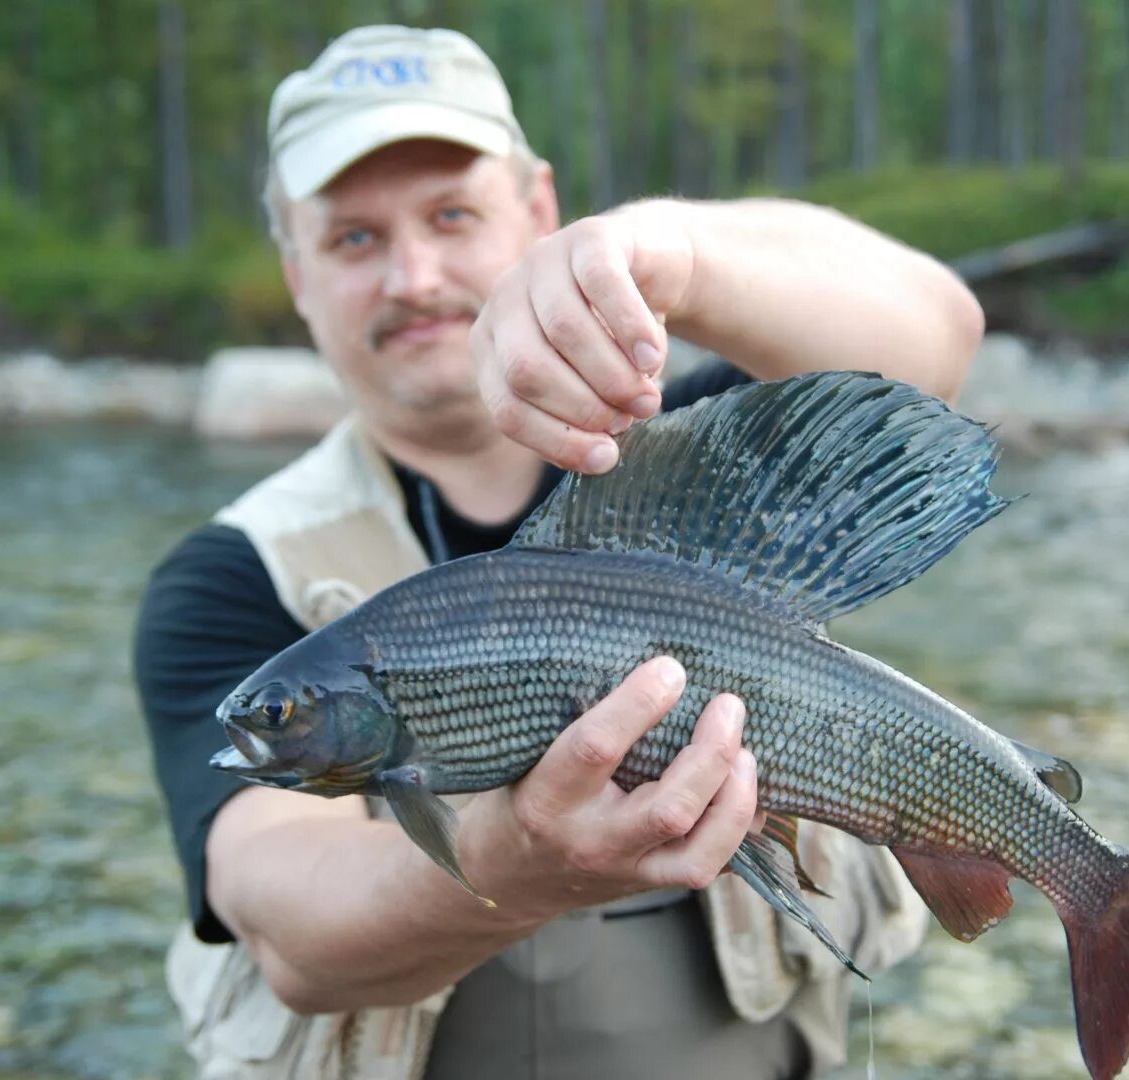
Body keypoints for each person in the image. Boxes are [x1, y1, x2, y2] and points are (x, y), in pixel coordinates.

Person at [134, 24, 984, 1080]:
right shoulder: (230, 575)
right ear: (294, 274)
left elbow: (937, 338)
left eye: (451, 215)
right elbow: (284, 925)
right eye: (353, 239)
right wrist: (519, 859)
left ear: (537, 211)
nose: (413, 274)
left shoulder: (702, 457)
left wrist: (669, 258)